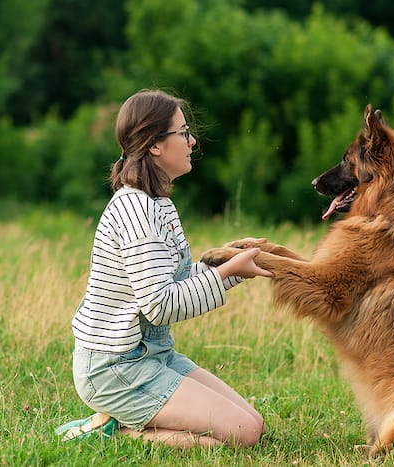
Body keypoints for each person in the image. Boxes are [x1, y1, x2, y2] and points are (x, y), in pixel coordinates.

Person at [55, 89, 272, 448]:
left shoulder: (159, 204)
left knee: (254, 425)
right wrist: (226, 273)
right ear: (155, 145)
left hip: (153, 356)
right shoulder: (137, 210)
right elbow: (160, 305)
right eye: (183, 132)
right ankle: (116, 433)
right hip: (115, 368)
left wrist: (229, 265)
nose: (192, 140)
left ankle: (123, 422)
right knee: (237, 436)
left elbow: (177, 282)